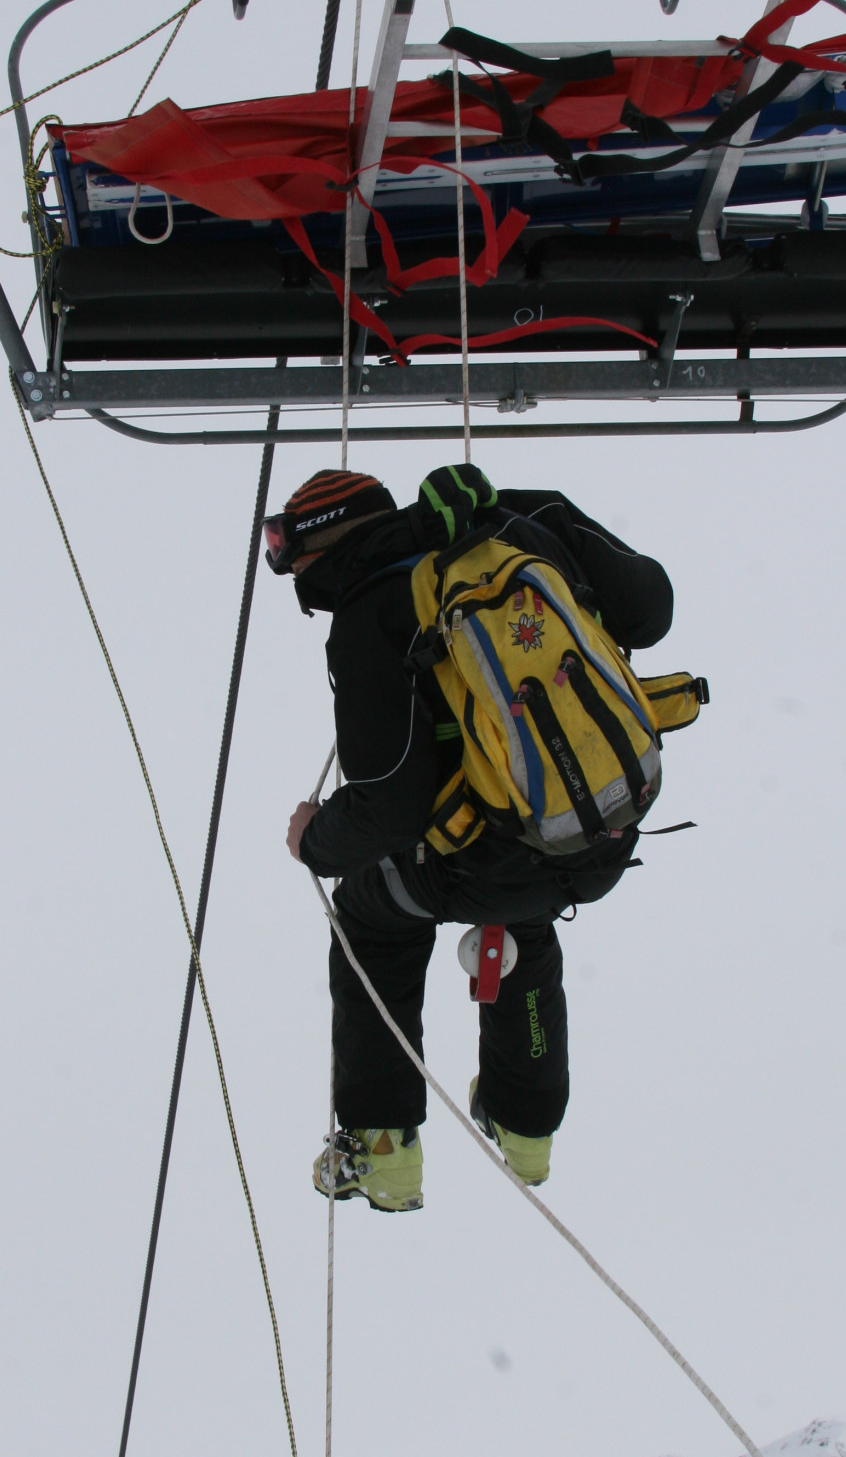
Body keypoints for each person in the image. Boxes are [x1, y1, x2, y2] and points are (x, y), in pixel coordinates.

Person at [268, 465, 674, 1212]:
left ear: (317, 547)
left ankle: (384, 1150)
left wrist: (313, 842)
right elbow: (651, 609)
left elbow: (389, 809)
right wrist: (546, 533)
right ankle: (527, 1128)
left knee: (370, 916)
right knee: (524, 912)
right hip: (602, 830)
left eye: (287, 556)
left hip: (482, 862)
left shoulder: (369, 609)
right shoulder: (518, 522)